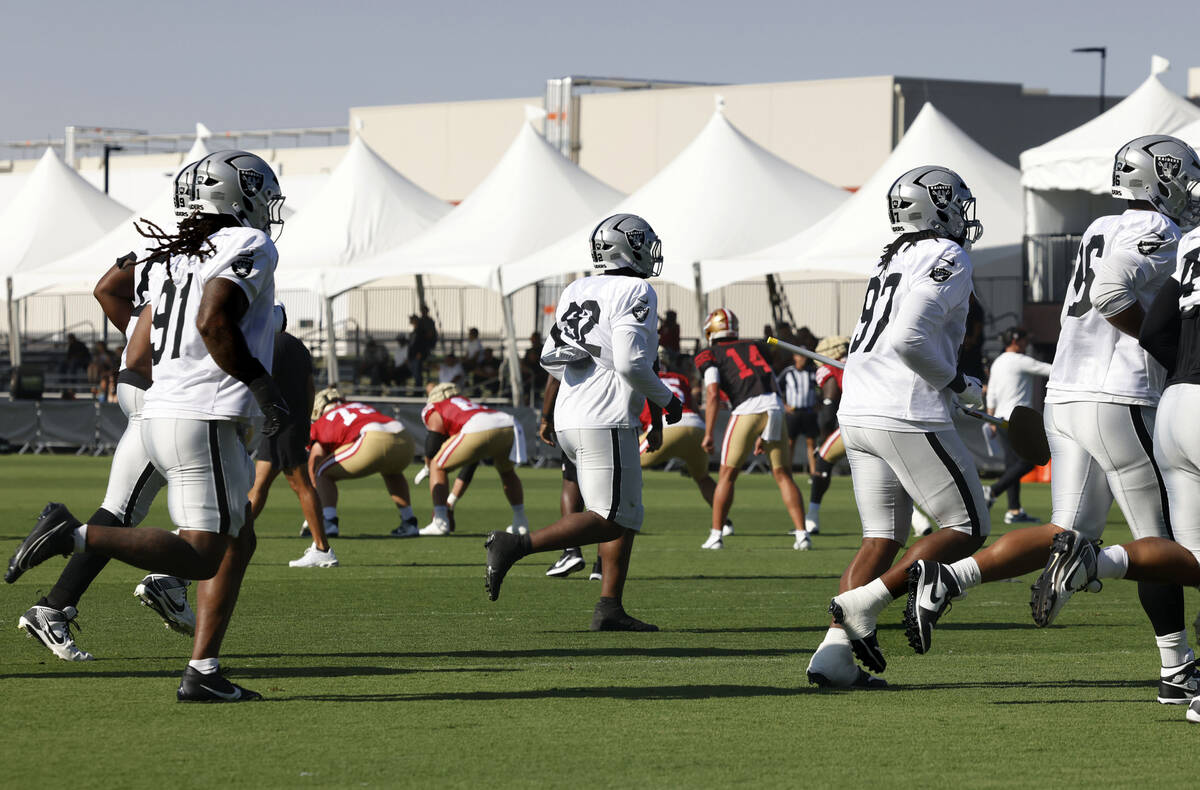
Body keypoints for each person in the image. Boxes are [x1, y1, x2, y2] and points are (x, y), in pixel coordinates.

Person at [903, 136, 1200, 707]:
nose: (1188, 188)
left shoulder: (1097, 229)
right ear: (1158, 178)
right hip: (1119, 394)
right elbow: (1113, 295)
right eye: (1181, 176)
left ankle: (950, 579)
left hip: (1066, 392)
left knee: (1068, 530)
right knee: (1163, 543)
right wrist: (1167, 347)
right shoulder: (1160, 232)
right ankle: (1177, 668)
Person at [7, 150, 289, 702]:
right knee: (204, 555)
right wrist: (262, 385)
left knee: (239, 539)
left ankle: (204, 671)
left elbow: (131, 312)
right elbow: (212, 319)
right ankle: (72, 534)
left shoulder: (170, 256)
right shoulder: (248, 244)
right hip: (202, 411)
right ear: (237, 194)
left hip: (160, 409)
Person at [805, 165, 988, 689]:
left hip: (858, 409)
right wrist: (957, 383)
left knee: (880, 540)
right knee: (968, 526)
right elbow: (910, 339)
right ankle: (866, 605)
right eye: (958, 202)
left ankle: (833, 657)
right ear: (938, 206)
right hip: (901, 410)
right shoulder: (946, 255)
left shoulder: (898, 255)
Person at [482, 213, 683, 630]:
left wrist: (547, 413)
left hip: (573, 411)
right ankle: (514, 545)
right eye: (644, 243)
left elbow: (554, 360)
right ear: (627, 246)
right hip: (604, 415)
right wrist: (668, 401)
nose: (651, 252)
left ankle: (610, 607)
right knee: (610, 515)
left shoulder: (578, 287)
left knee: (626, 512)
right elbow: (630, 362)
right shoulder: (635, 288)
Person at [13, 252, 181, 661]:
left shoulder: (165, 260)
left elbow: (105, 289)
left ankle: (54, 606)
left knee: (120, 510)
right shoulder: (219, 258)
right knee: (227, 509)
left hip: (137, 386)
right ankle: (170, 584)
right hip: (164, 394)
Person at [696, 308, 810, 551]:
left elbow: (713, 391)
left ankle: (716, 535)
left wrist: (708, 432)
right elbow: (764, 379)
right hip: (775, 406)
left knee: (727, 474)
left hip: (747, 409)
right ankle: (802, 535)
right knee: (783, 474)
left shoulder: (709, 354)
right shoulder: (755, 346)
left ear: (711, 329)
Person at [247, 327, 337, 568]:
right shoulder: (298, 346)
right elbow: (310, 387)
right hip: (292, 422)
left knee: (301, 485)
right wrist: (304, 421)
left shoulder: (268, 343)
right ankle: (233, 538)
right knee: (260, 484)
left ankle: (322, 548)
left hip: (280, 422)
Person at [417, 382, 528, 536]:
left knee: (437, 465)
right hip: (508, 423)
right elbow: (472, 461)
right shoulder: (466, 403)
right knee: (507, 472)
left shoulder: (435, 406)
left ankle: (440, 522)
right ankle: (521, 522)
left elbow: (432, 443)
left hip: (479, 425)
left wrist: (428, 466)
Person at [308, 387, 420, 538]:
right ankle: (409, 522)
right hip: (404, 438)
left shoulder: (323, 420)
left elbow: (316, 456)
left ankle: (328, 522)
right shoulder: (359, 406)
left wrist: (315, 498)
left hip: (372, 440)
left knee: (321, 472)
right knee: (392, 472)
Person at [638, 360, 728, 534]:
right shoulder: (680, 378)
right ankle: (724, 522)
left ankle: (625, 521)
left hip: (665, 427)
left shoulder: (641, 375)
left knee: (627, 467)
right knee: (702, 477)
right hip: (695, 425)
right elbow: (693, 406)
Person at [984, 327, 1052, 523]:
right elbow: (1050, 370)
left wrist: (991, 418)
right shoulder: (1021, 361)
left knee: (1012, 465)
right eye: (1024, 340)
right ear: (1015, 341)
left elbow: (992, 393)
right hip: (1018, 420)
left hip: (1000, 419)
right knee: (1028, 461)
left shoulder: (998, 362)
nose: (1026, 343)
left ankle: (1013, 511)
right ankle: (992, 491)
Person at [804, 335, 850, 535]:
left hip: (860, 421)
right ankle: (919, 521)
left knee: (823, 460)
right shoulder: (862, 360)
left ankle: (811, 518)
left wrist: (823, 439)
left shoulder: (829, 367)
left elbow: (829, 406)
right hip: (892, 417)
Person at [778, 351, 819, 474]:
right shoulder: (788, 372)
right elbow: (776, 388)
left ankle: (814, 473)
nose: (802, 359)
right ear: (795, 356)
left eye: (804, 356)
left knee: (811, 443)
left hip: (808, 411)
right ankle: (788, 472)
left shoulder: (812, 372)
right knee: (790, 443)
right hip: (793, 413)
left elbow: (821, 387)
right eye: (800, 356)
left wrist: (820, 403)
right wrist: (784, 405)